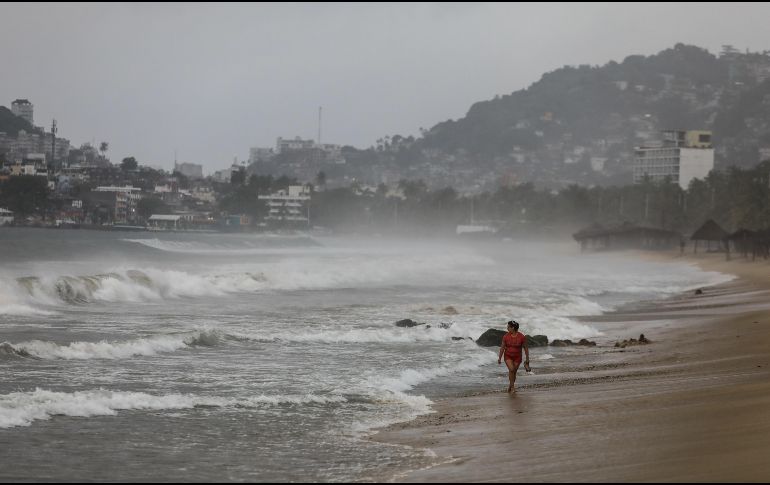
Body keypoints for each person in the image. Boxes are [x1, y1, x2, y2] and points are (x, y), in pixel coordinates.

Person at [497, 320, 529, 393]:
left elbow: (526, 348)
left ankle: (510, 386)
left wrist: (527, 359)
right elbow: (502, 347)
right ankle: (513, 387)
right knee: (511, 369)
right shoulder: (505, 336)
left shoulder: (521, 337)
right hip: (508, 356)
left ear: (513, 328)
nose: (507, 328)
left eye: (508, 327)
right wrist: (499, 358)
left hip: (517, 357)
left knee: (514, 372)